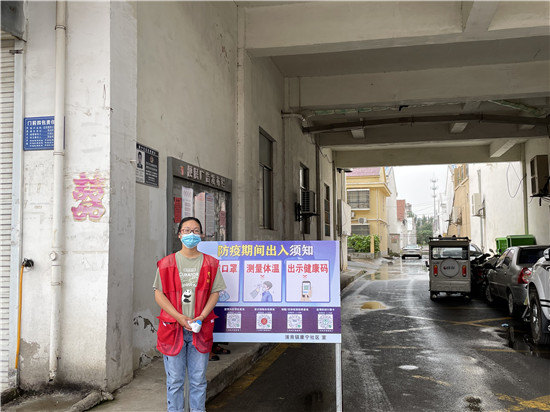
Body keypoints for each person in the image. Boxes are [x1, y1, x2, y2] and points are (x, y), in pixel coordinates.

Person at [153, 217, 226, 412]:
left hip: (199, 329)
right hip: (173, 329)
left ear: (201, 235)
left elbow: (215, 293)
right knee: (175, 381)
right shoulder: (166, 263)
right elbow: (159, 295)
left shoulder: (211, 263)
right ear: (179, 235)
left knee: (198, 381)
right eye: (186, 230)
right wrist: (178, 317)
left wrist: (201, 316)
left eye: (195, 231)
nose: (191, 234)